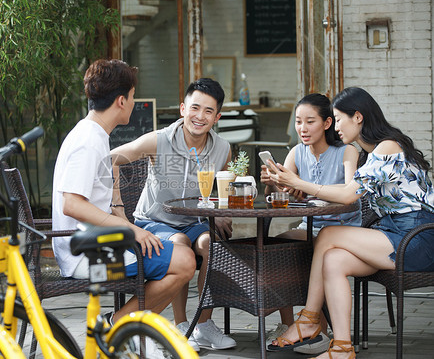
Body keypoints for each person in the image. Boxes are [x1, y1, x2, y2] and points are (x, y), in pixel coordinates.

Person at [265, 87, 434, 358]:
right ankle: (342, 347)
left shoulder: (388, 146)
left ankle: (308, 319)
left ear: (358, 117)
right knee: (333, 259)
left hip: (417, 236)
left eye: (338, 119)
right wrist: (293, 185)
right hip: (392, 233)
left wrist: (299, 183)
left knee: (329, 234)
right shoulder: (370, 153)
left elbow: (347, 196)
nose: (337, 127)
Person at [51, 59, 196, 331]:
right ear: (120, 100)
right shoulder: (88, 141)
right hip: (87, 256)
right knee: (185, 261)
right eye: (132, 97)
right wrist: (128, 229)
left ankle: (124, 329)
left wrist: (119, 211)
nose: (133, 102)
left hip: (95, 244)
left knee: (178, 252)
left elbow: (101, 181)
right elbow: (71, 204)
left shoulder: (93, 134)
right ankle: (116, 328)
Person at [111, 78, 236, 351]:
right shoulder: (159, 140)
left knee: (211, 247)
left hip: (195, 221)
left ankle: (202, 325)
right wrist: (117, 206)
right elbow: (112, 158)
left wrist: (224, 213)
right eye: (195, 108)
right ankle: (182, 326)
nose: (199, 116)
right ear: (183, 109)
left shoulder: (222, 148)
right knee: (180, 245)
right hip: (154, 221)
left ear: (217, 117)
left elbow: (223, 183)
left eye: (208, 111)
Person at [260, 93, 362, 354]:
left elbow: (352, 192)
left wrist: (306, 188)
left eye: (310, 121)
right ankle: (288, 324)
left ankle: (315, 328)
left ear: (327, 123)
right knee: (277, 247)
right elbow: (278, 197)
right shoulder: (297, 152)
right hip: (311, 229)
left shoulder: (347, 151)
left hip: (344, 231)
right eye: (298, 122)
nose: (302, 129)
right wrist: (275, 183)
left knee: (318, 245)